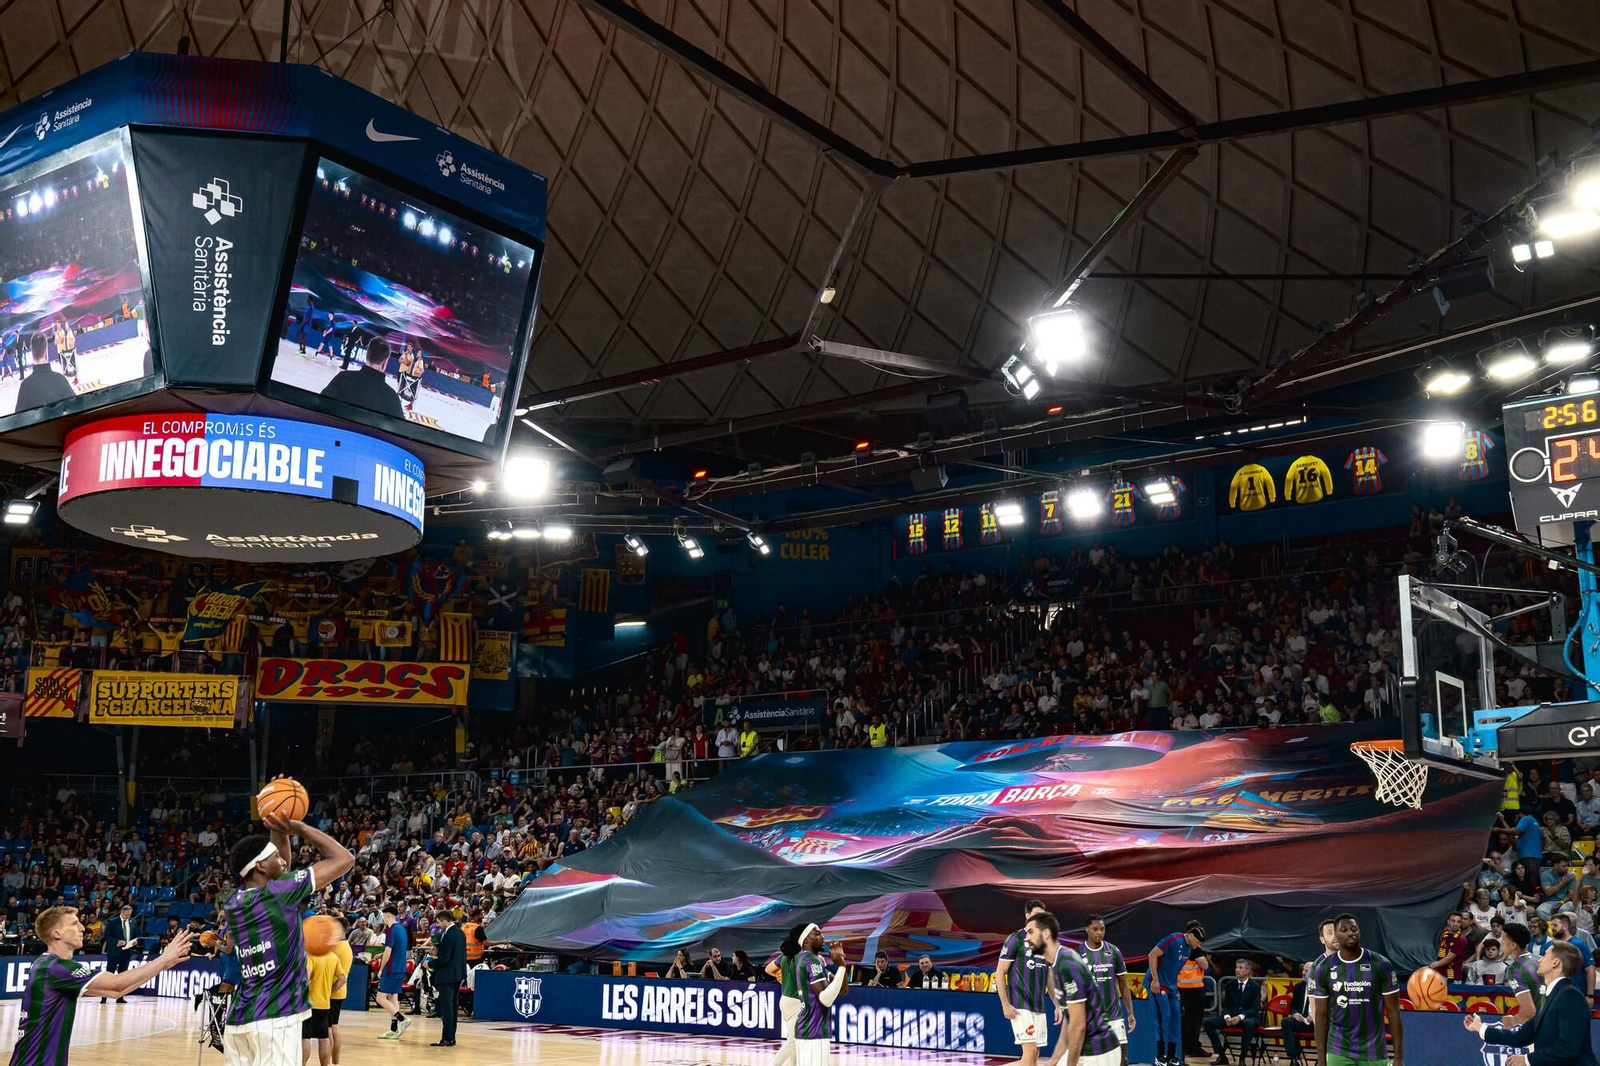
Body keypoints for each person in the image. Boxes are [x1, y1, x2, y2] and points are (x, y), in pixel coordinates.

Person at [220, 808, 353, 1066]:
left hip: (239, 1019)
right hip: (275, 1018)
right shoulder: (279, 893)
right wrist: (300, 829)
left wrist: (277, 822)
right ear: (260, 866)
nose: (283, 860)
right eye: (275, 857)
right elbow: (344, 858)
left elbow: (283, 871)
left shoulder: (233, 902)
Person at [6, 907, 193, 1066]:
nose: (82, 927)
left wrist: (161, 965)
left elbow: (116, 991)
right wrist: (162, 958)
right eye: (74, 924)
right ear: (57, 933)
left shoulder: (48, 964)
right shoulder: (55, 968)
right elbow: (117, 985)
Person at [1465, 940, 1599, 1066]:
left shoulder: (1570, 996)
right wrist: (1480, 1027)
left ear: (1555, 963)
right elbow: (1519, 1037)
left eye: (1545, 956)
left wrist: (1527, 1059)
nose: (1539, 960)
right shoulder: (1554, 995)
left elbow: (1568, 1048)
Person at [1310, 913, 1403, 1066]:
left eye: (1354, 929)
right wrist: (1321, 1059)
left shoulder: (1380, 964)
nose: (1350, 933)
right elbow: (1320, 1015)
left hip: (1374, 1050)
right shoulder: (1324, 967)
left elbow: (1394, 1012)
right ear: (1336, 934)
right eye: (1344, 930)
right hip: (1339, 1050)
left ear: (1359, 932)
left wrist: (1398, 1057)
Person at [1031, 911, 1119, 1066]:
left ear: (1045, 934)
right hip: (1087, 1049)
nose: (1026, 938)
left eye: (1031, 932)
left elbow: (1078, 1026)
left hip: (1098, 1052)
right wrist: (1055, 1059)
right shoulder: (1057, 964)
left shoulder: (1067, 964)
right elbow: (1069, 1019)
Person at [997, 900, 1053, 1066]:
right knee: (1030, 1051)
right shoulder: (1016, 938)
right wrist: (1005, 1004)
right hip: (1020, 1004)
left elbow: (1049, 977)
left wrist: (1058, 1005)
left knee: (1036, 1052)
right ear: (1027, 916)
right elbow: (1000, 972)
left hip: (1039, 1006)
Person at [1148, 920, 1206, 1066]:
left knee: (1175, 1018)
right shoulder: (1173, 939)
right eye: (1197, 941)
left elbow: (1175, 969)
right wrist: (1155, 980)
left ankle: (1173, 1056)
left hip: (1171, 986)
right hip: (1158, 983)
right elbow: (1152, 955)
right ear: (1191, 935)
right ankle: (1160, 1056)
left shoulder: (1188, 949)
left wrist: (1175, 988)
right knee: (1164, 1016)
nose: (1198, 945)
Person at [1080, 914, 1135, 1061]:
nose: (1099, 932)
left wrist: (1130, 1012)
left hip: (1114, 1016)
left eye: (1102, 929)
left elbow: (1123, 983)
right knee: (1091, 1060)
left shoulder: (1114, 951)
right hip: (1089, 1018)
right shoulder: (1078, 953)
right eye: (1095, 929)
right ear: (1087, 929)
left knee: (1122, 1059)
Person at [794, 925, 849, 1066]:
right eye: (817, 934)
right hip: (813, 1031)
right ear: (806, 940)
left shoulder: (810, 960)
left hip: (808, 1030)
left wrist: (841, 965)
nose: (822, 936)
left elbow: (842, 989)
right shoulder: (811, 960)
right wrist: (841, 967)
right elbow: (826, 999)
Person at [321, 337, 405, 421]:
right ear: (385, 362)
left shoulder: (343, 378)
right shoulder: (392, 398)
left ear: (366, 355)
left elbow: (320, 405)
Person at [1203, 958, 1262, 1065]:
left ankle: (1242, 1059)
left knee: (1248, 1024)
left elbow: (1254, 1008)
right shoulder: (1230, 985)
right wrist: (1227, 1017)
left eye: (1241, 968)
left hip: (1248, 1017)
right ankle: (1221, 1055)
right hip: (1231, 1017)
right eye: (1236, 967)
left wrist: (1239, 1017)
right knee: (1208, 1022)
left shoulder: (1255, 986)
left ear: (1248, 971)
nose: (1237, 970)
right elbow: (1226, 1006)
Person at [429, 910, 465, 1047]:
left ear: (444, 921)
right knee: (453, 1007)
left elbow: (444, 958)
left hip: (447, 976)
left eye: (439, 923)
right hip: (457, 975)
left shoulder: (448, 935)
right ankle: (451, 1037)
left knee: (446, 1008)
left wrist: (430, 963)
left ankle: (446, 1038)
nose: (439, 926)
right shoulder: (459, 932)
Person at [16, 332, 76, 411]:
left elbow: (18, 420)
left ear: (32, 351)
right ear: (46, 350)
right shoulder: (60, 380)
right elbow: (76, 408)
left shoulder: (25, 387)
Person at [376, 904, 410, 1039]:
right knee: (393, 997)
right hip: (400, 968)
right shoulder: (402, 929)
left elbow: (388, 951)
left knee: (380, 998)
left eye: (384, 916)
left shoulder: (391, 930)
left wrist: (380, 969)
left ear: (388, 915)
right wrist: (381, 954)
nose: (383, 918)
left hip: (391, 969)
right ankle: (394, 1030)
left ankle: (402, 1019)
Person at [304, 941, 339, 1066]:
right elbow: (342, 979)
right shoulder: (333, 957)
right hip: (325, 1003)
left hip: (309, 1004)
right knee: (323, 1038)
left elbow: (305, 979)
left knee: (305, 1037)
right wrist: (329, 992)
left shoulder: (311, 957)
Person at [1502, 922, 1544, 1024]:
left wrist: (1512, 1021)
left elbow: (1529, 1011)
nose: (1501, 943)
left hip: (1542, 1026)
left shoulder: (1515, 970)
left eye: (1503, 940)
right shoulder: (1541, 959)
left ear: (1513, 945)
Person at [327, 920, 352, 1066]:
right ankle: (335, 1062)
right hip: (339, 991)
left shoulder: (338, 947)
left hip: (334, 991)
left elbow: (341, 977)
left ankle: (330, 1062)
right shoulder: (345, 945)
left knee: (329, 1028)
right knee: (334, 1026)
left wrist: (328, 992)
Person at [1282, 960, 1316, 1066]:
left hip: (1317, 1023)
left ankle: (1323, 1060)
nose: (1303, 973)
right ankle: (1293, 1058)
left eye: (1306, 970)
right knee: (1286, 1022)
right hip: (1301, 1020)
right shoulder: (1299, 986)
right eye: (1303, 970)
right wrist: (1295, 1014)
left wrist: (1314, 1016)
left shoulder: (1323, 987)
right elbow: (1293, 1006)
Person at [102, 903, 136, 1003]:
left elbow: (135, 935)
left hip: (126, 953)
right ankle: (104, 997)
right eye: (126, 915)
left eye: (129, 915)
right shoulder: (113, 922)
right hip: (114, 952)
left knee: (123, 977)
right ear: (122, 912)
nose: (128, 916)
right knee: (109, 975)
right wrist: (117, 942)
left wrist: (135, 942)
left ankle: (120, 997)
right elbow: (107, 937)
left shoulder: (133, 922)